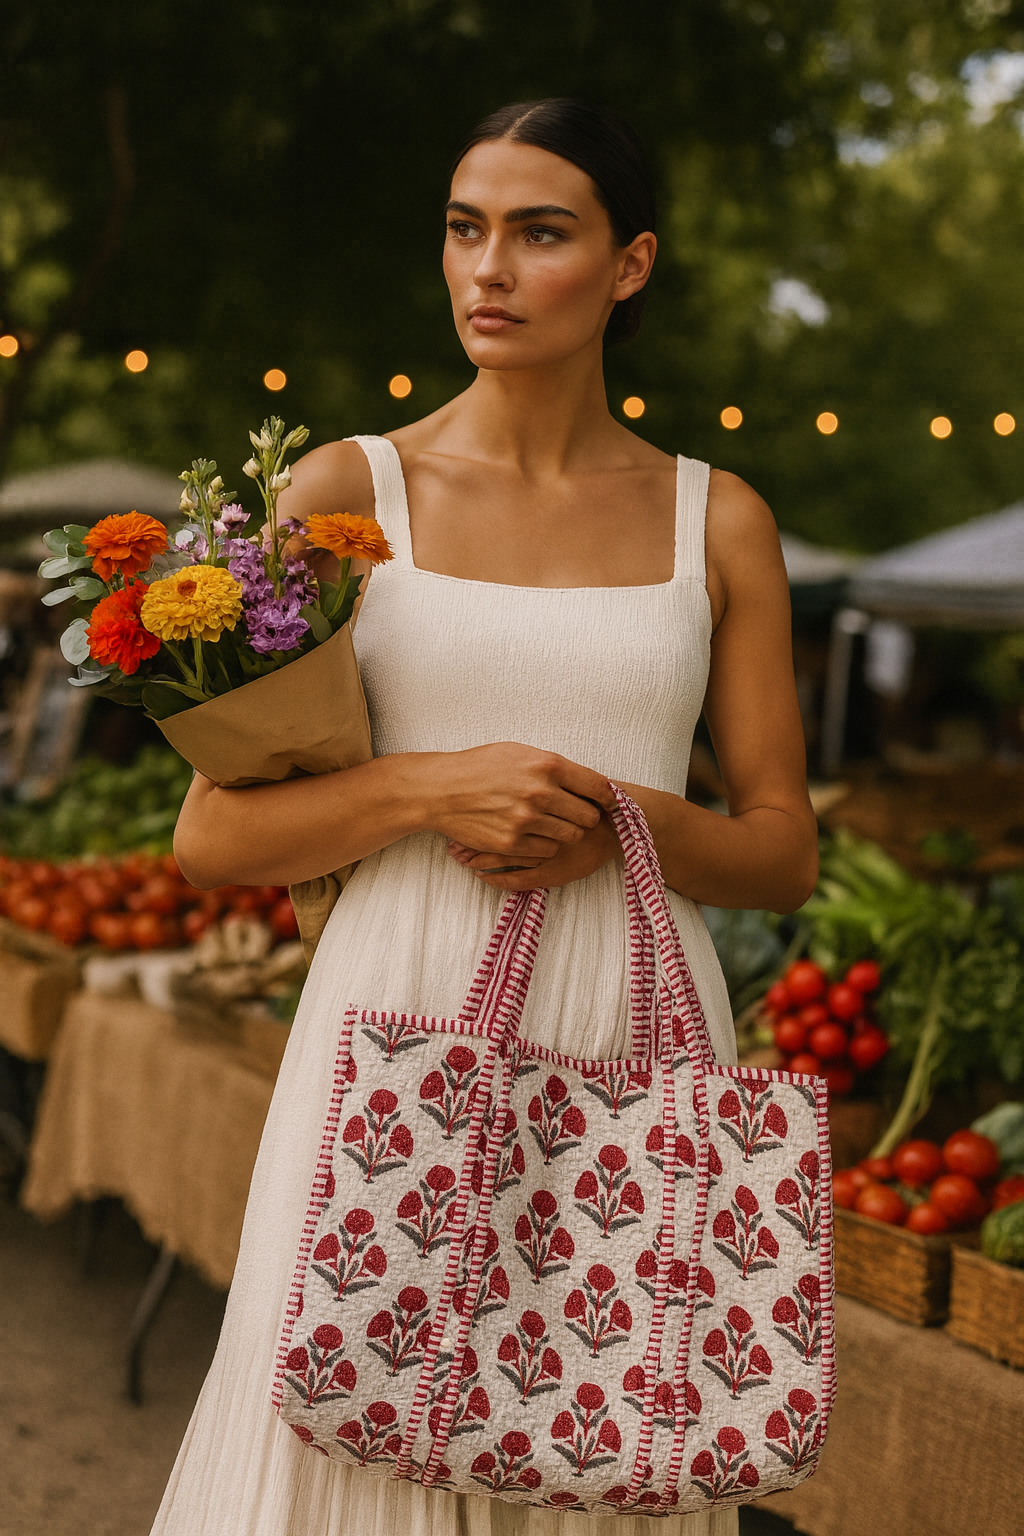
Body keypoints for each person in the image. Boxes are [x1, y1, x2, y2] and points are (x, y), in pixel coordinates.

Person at [153, 98, 817, 1536]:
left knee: (606, 1426)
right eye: (466, 229)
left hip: (626, 1017)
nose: (488, 270)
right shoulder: (345, 491)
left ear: (629, 267)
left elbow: (780, 849)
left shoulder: (721, 520)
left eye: (540, 233)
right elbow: (211, 838)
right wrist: (425, 785)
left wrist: (620, 821)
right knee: (348, 1429)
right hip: (388, 1017)